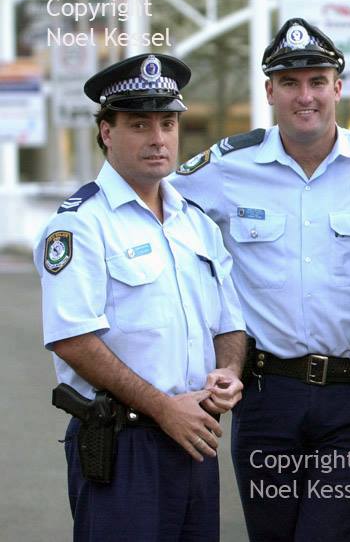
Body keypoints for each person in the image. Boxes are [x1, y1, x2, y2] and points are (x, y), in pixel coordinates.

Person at [169, 18, 350, 541]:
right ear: (270, 91)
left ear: (338, 88)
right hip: (267, 400)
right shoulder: (226, 168)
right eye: (289, 83)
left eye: (316, 81)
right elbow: (157, 217)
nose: (304, 96)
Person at [34, 54, 247, 541]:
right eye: (139, 125)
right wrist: (162, 408)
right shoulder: (81, 224)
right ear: (106, 132)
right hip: (123, 443)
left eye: (167, 123)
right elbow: (73, 339)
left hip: (195, 436)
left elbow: (229, 323)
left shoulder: (196, 222)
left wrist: (230, 372)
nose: (158, 138)